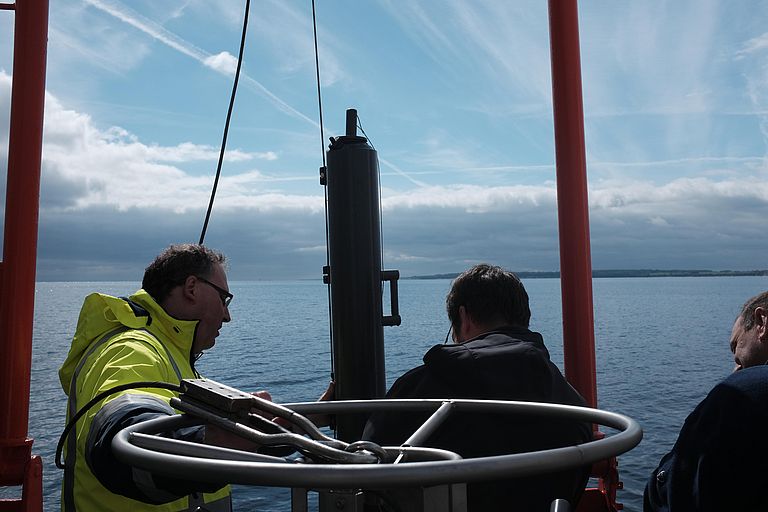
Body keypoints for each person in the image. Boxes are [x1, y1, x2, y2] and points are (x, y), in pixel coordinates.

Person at [362, 264, 592, 511]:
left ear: (464, 317)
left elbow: (368, 465)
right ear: (523, 318)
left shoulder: (419, 389)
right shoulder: (569, 399)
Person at [59, 244, 239, 511]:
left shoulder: (172, 355)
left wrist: (293, 428)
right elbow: (122, 430)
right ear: (191, 288)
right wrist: (209, 442)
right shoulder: (131, 347)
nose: (227, 316)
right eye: (224, 298)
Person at [644, 291, 768, 512]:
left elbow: (675, 493)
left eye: (736, 348)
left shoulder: (742, 393)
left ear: (761, 322)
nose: (735, 367)